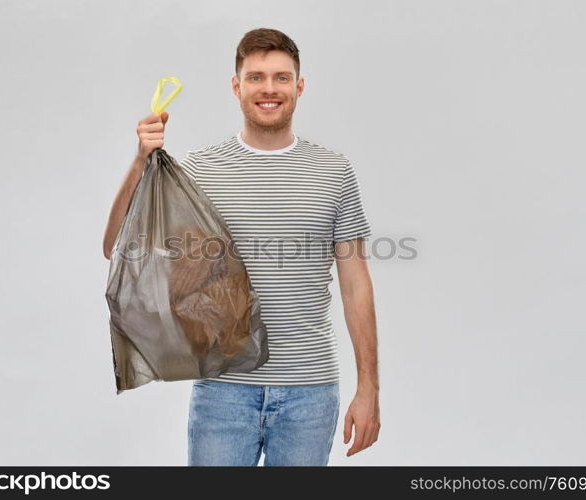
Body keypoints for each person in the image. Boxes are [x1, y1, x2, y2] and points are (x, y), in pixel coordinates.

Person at [102, 28, 380, 466]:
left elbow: (356, 284)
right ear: (237, 86)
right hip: (223, 392)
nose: (269, 89)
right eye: (255, 77)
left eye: (281, 78)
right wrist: (140, 161)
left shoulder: (334, 171)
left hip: (310, 391)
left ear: (299, 86)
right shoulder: (199, 169)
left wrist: (369, 389)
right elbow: (117, 246)